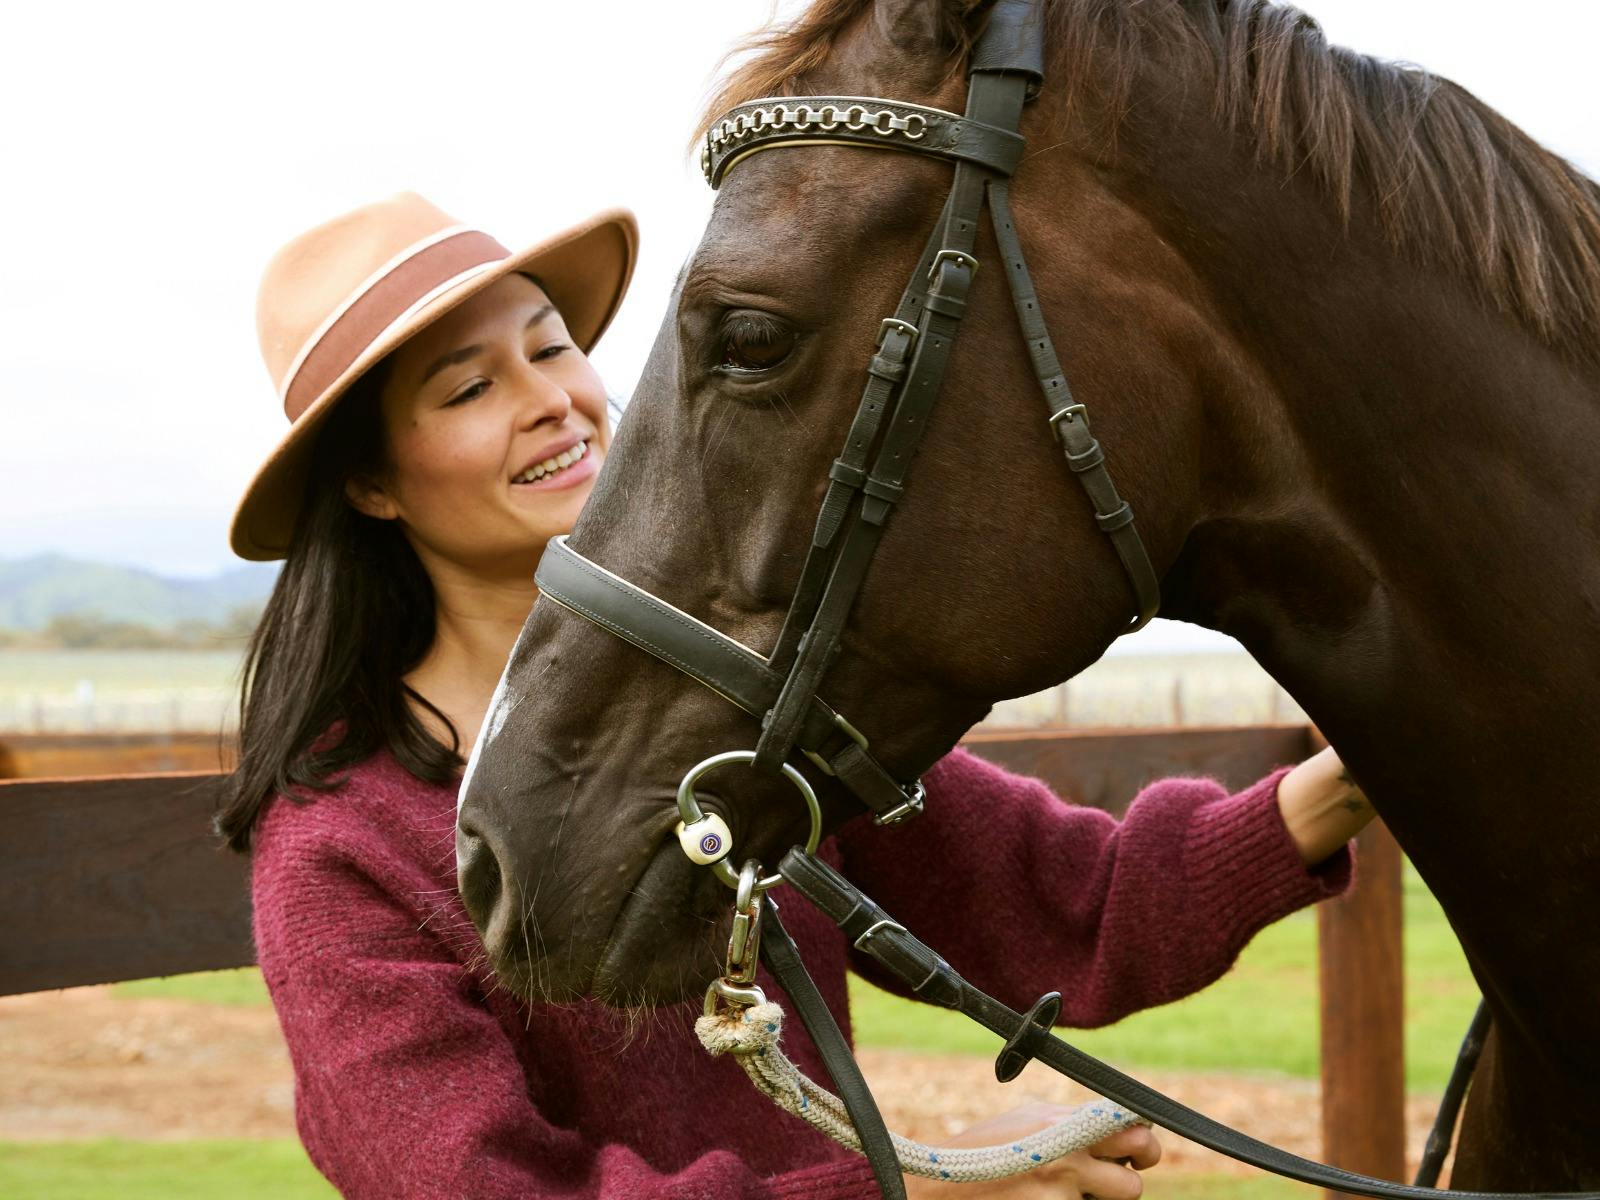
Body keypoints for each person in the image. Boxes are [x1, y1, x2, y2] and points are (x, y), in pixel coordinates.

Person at [220, 192, 1372, 1200]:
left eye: (552, 347)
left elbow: (1073, 905)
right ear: (370, 484)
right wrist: (920, 1185)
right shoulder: (341, 844)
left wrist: (1361, 777)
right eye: (472, 385)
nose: (555, 402)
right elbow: (475, 1189)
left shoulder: (738, 710)